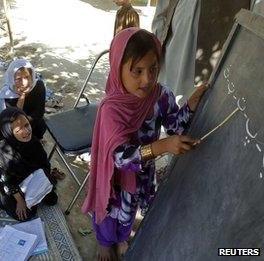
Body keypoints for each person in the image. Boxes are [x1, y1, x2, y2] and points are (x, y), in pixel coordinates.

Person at [81, 28, 208, 260]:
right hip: (115, 179)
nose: (147, 79)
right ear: (118, 69)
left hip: (143, 174)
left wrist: (190, 105)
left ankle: (121, 238)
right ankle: (104, 242)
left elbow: (174, 127)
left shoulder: (161, 96)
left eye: (153, 69)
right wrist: (162, 147)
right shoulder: (111, 108)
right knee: (111, 212)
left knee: (129, 212)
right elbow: (120, 157)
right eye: (137, 71)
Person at [0, 107, 58, 221]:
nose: (27, 132)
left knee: (52, 198)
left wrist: (44, 181)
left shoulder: (33, 141)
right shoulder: (4, 154)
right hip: (16, 185)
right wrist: (20, 200)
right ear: (9, 132)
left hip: (33, 178)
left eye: (27, 125)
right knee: (25, 214)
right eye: (18, 130)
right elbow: (8, 181)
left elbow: (44, 163)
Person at [0, 59, 46, 140]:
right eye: (18, 79)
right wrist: (22, 96)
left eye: (27, 77)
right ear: (12, 79)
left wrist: (26, 121)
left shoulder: (38, 86)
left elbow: (40, 111)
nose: (24, 83)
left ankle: (37, 139)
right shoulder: (7, 95)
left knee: (41, 125)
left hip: (34, 121)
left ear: (32, 76)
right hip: (17, 128)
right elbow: (13, 120)